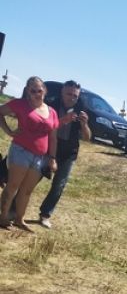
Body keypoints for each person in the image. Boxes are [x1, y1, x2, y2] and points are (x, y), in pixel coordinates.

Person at [0, 76, 58, 232]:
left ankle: (20, 219)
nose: (37, 94)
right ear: (27, 91)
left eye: (39, 90)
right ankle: (3, 217)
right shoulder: (20, 104)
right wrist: (9, 131)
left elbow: (52, 137)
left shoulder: (51, 111)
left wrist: (52, 158)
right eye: (33, 91)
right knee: (13, 186)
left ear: (44, 91)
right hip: (21, 151)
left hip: (40, 156)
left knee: (27, 190)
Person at [38, 80, 91, 229]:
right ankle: (14, 209)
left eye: (75, 95)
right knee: (34, 177)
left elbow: (87, 137)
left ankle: (45, 214)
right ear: (62, 92)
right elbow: (44, 127)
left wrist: (84, 124)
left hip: (69, 152)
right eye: (69, 94)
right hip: (48, 147)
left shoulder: (81, 109)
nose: (72, 98)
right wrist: (63, 120)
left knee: (59, 185)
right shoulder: (51, 105)